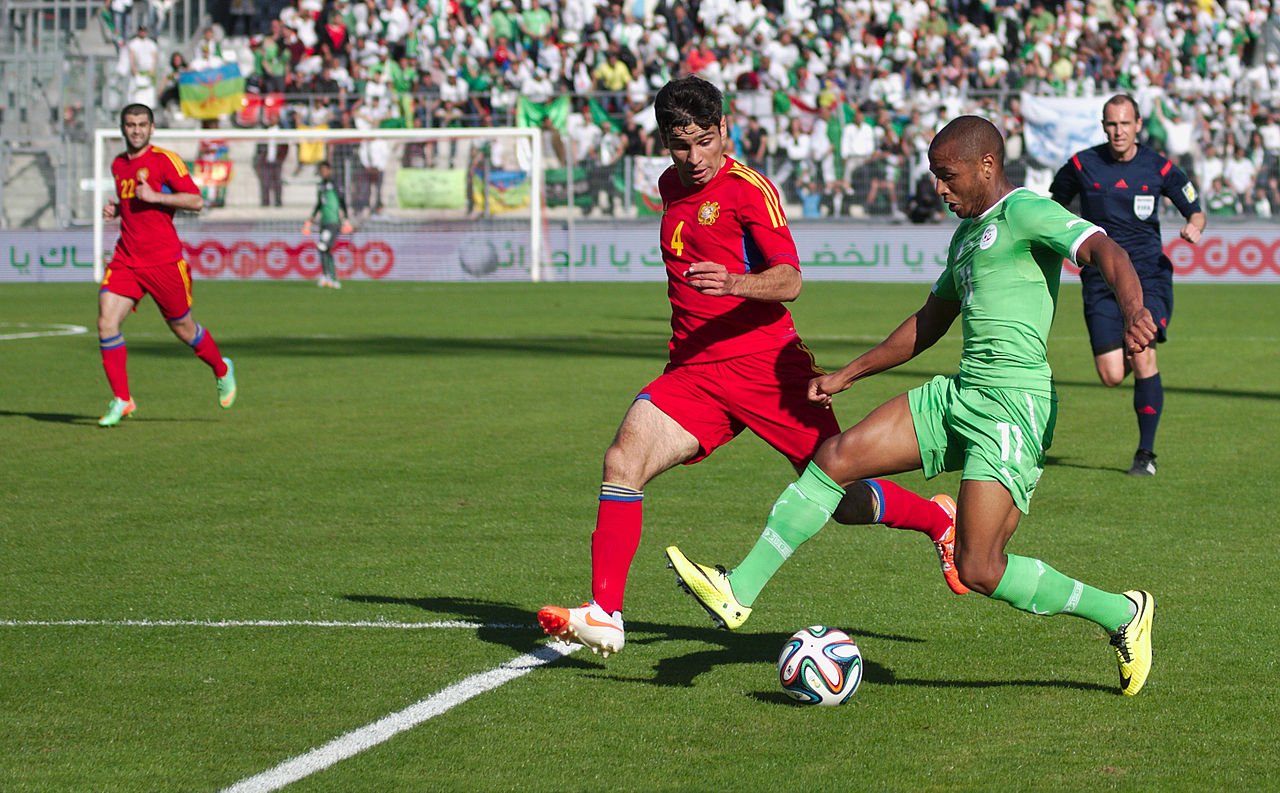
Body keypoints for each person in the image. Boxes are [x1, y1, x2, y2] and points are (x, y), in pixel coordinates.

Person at [669, 116, 1159, 697]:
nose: (939, 190)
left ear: (986, 166)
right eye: (934, 177)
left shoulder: (1028, 210)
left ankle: (1122, 613)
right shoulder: (966, 236)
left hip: (1014, 407)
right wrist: (849, 373)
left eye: (947, 177)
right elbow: (929, 323)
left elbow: (1106, 249)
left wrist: (1132, 310)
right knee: (835, 457)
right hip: (960, 393)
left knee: (980, 568)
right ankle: (739, 590)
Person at [537, 77, 959, 658]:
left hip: (768, 369)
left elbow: (791, 279)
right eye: (680, 145)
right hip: (694, 373)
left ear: (724, 131)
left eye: (705, 141)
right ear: (665, 142)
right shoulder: (669, 184)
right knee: (622, 460)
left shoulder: (748, 190)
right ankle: (606, 612)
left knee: (841, 496)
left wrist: (733, 282)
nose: (694, 158)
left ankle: (937, 519)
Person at [1050, 95, 1205, 477]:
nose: (1118, 131)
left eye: (1125, 123)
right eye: (1111, 124)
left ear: (1138, 124)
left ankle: (1145, 455)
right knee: (1111, 375)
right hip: (1100, 281)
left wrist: (1194, 227)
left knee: (1142, 349)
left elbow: (1195, 208)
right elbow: (1054, 206)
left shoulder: (1159, 166)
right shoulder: (1082, 164)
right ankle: (1138, 368)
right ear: (1104, 126)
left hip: (1148, 275)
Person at [98, 103, 236, 427]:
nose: (136, 130)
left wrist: (158, 197)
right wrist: (119, 209)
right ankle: (122, 398)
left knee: (184, 329)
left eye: (142, 124)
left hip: (164, 262)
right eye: (130, 124)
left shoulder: (165, 160)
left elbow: (196, 201)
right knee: (106, 321)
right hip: (127, 259)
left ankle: (222, 368)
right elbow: (136, 202)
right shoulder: (118, 164)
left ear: (152, 127)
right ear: (122, 128)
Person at [302, 160, 353, 289]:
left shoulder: (335, 184)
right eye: (321, 170)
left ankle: (331, 277)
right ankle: (328, 277)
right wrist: (312, 217)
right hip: (323, 222)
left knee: (323, 246)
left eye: (325, 169)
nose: (323, 172)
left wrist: (346, 218)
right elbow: (319, 203)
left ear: (329, 170)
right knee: (325, 249)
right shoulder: (321, 186)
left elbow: (342, 201)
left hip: (333, 222)